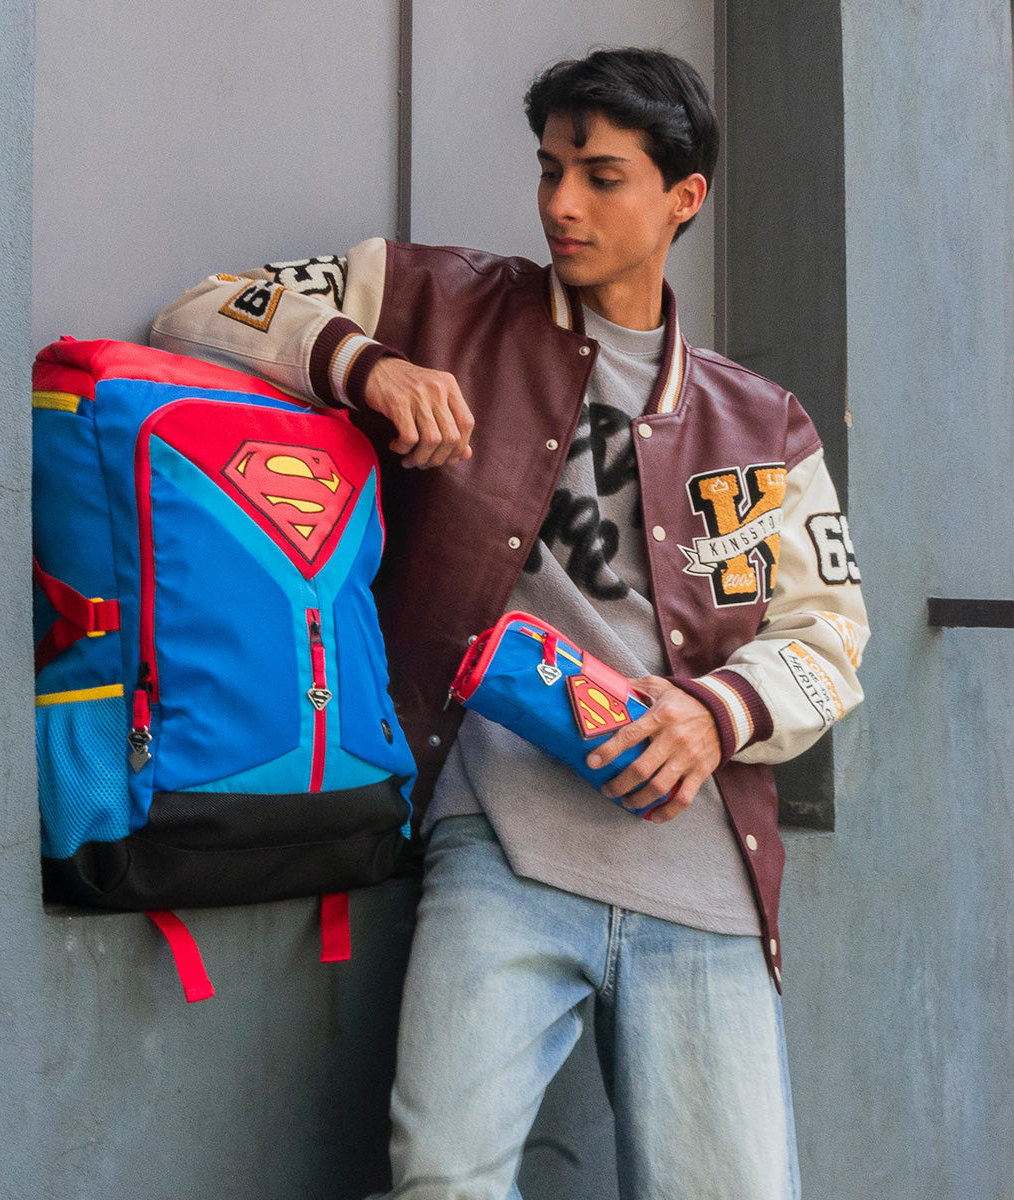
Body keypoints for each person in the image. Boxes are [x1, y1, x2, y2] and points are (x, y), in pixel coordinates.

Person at [152, 46, 867, 1200]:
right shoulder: (437, 301)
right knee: (444, 1182)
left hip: (703, 881)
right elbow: (198, 311)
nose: (561, 204)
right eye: (548, 170)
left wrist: (713, 717)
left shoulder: (761, 422)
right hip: (500, 847)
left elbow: (831, 636)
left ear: (684, 198)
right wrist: (366, 367)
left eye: (601, 176)